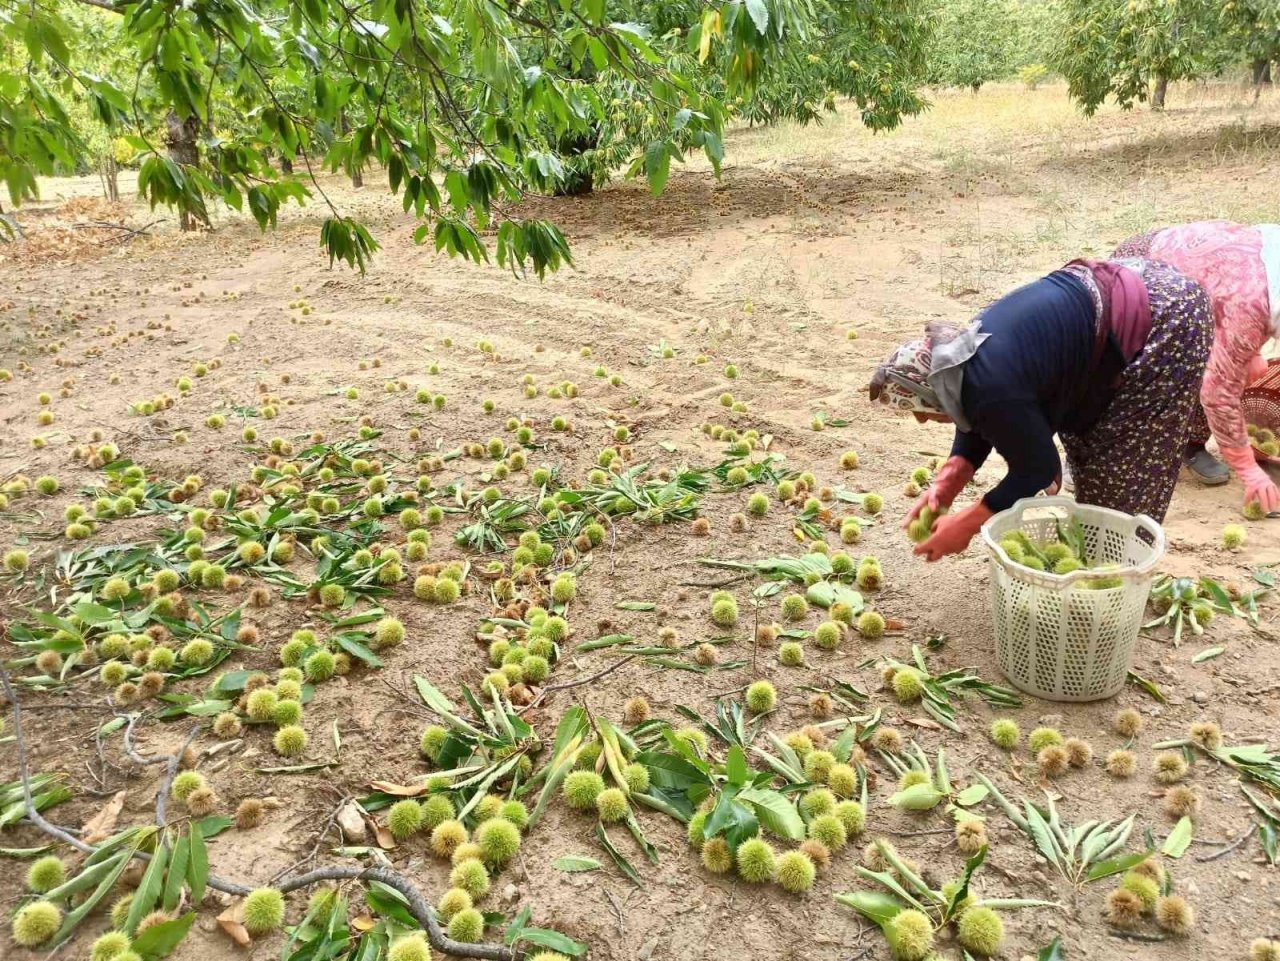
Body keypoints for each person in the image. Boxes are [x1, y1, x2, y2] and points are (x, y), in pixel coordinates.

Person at [869, 258, 1213, 561]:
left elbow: (1036, 468)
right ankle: (1099, 556)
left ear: (932, 389)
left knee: (1119, 481)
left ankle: (1113, 572)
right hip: (1136, 284)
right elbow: (978, 410)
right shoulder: (964, 359)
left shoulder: (990, 387)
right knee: (1090, 463)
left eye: (919, 407)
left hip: (1167, 318)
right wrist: (950, 480)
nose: (921, 417)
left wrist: (968, 522)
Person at [1113, 221, 1280, 511]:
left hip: (1207, 286)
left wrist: (1250, 351)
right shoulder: (1249, 304)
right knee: (1146, 373)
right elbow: (1218, 393)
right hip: (1144, 274)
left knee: (1226, 365)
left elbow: (1226, 299)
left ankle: (1190, 444)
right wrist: (1248, 469)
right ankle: (1095, 454)